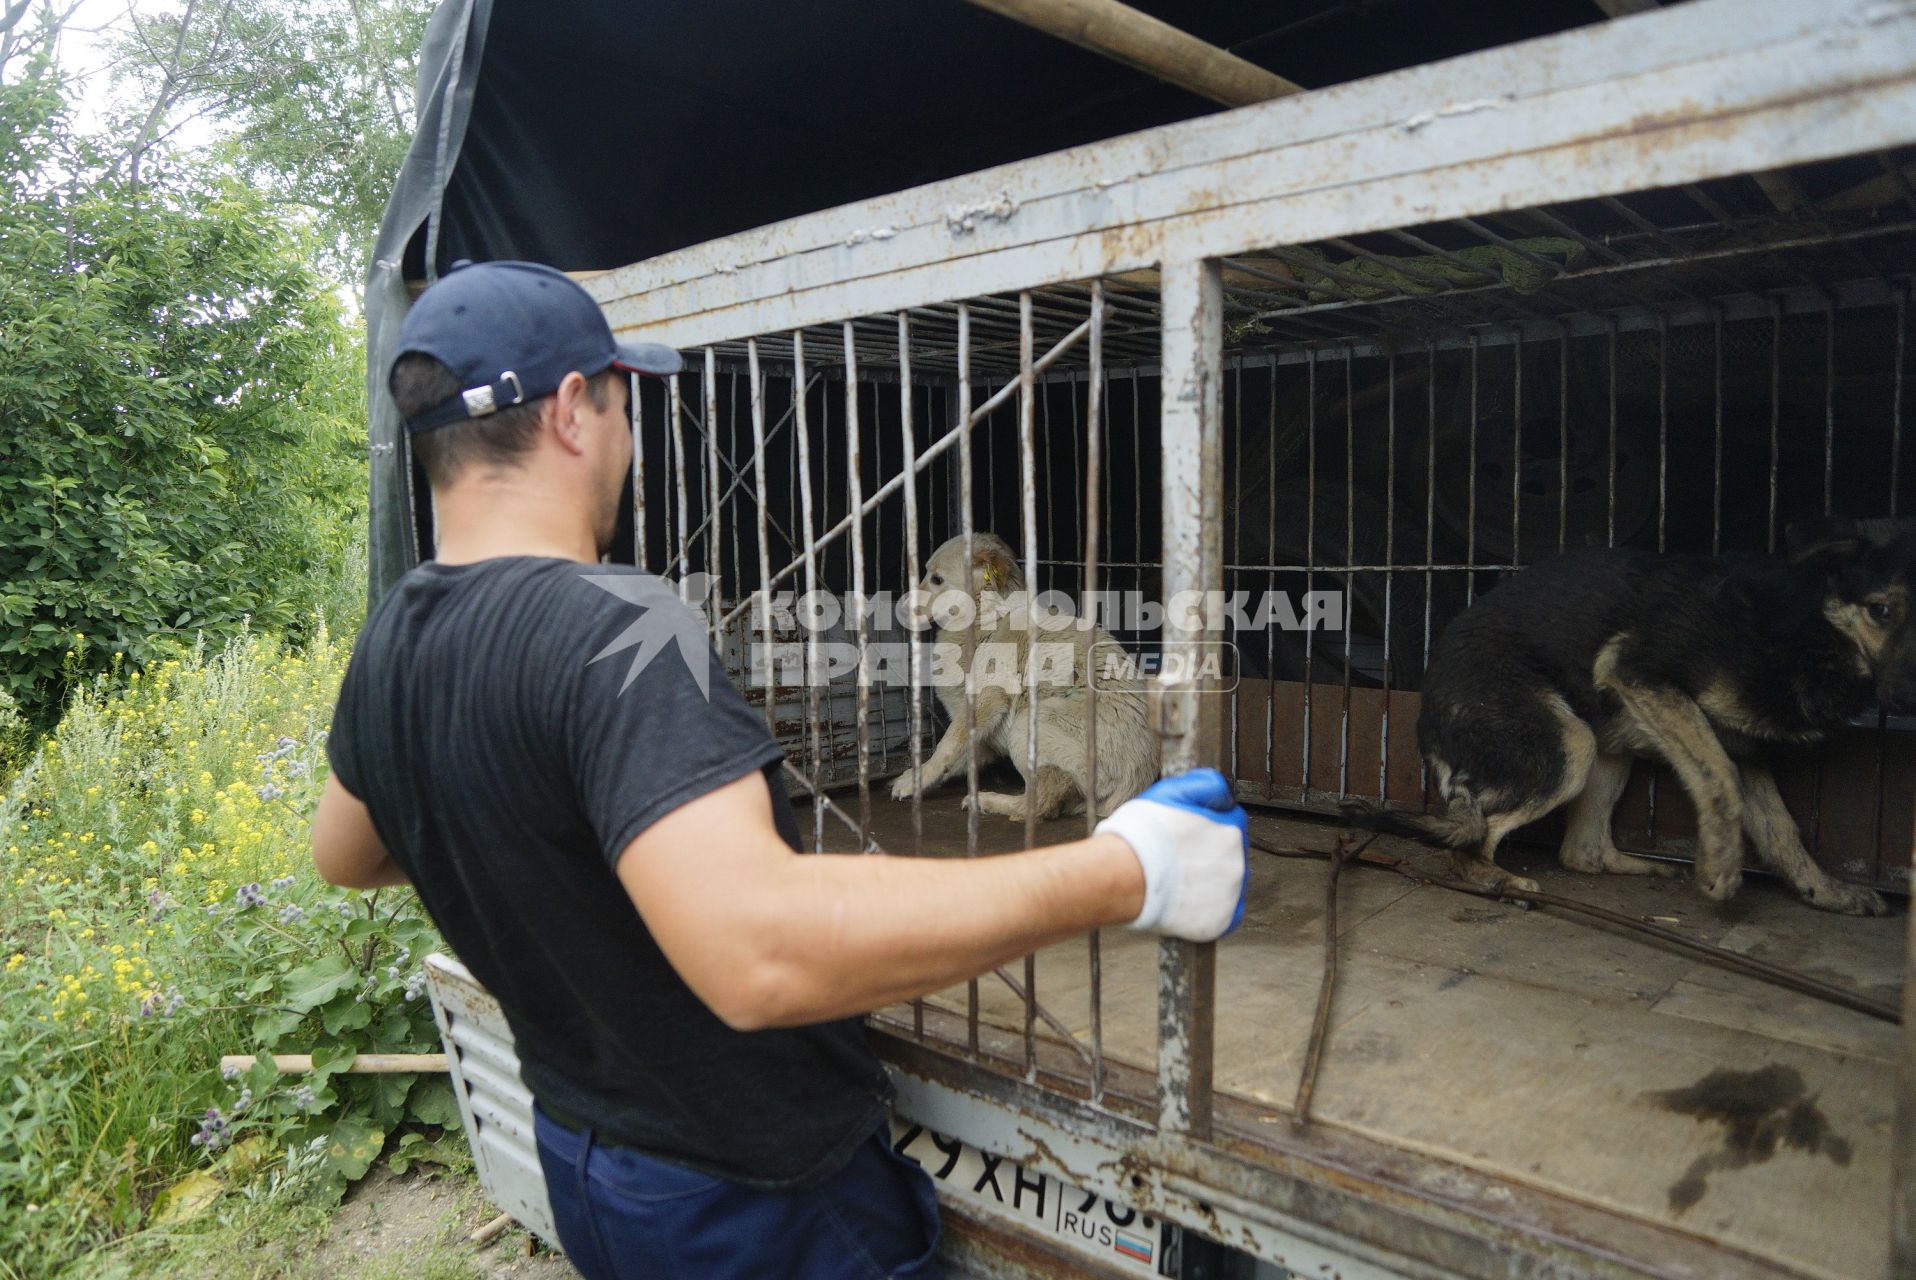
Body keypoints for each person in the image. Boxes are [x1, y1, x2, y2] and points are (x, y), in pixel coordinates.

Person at [311, 260, 1249, 1280]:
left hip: (584, 1154)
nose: (629, 439)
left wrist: (569, 863)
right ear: (576, 410)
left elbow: (346, 854)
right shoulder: (617, 631)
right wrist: (1128, 869)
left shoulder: (389, 643)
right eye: (627, 403)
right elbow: (762, 955)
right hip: (747, 1198)